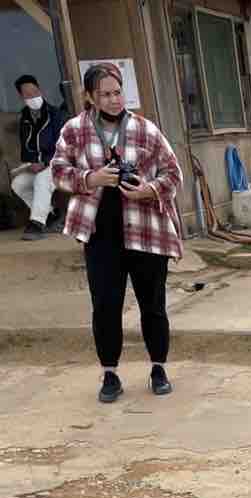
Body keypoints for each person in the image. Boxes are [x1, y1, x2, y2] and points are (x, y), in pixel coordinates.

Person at [51, 62, 183, 403]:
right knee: (105, 307)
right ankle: (110, 374)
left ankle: (158, 368)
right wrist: (90, 178)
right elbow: (58, 171)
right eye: (105, 94)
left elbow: (173, 173)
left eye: (118, 92)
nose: (114, 100)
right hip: (100, 235)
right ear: (90, 97)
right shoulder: (74, 130)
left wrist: (148, 190)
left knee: (153, 305)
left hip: (146, 231)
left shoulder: (145, 129)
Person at [11, 74, 65, 240]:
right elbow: (26, 150)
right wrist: (30, 164)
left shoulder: (55, 115)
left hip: (59, 163)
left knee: (42, 179)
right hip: (39, 165)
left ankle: (37, 224)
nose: (33, 97)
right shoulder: (25, 119)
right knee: (18, 184)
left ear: (40, 91)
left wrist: (45, 162)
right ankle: (51, 216)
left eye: (35, 92)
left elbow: (63, 145)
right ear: (21, 97)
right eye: (28, 94)